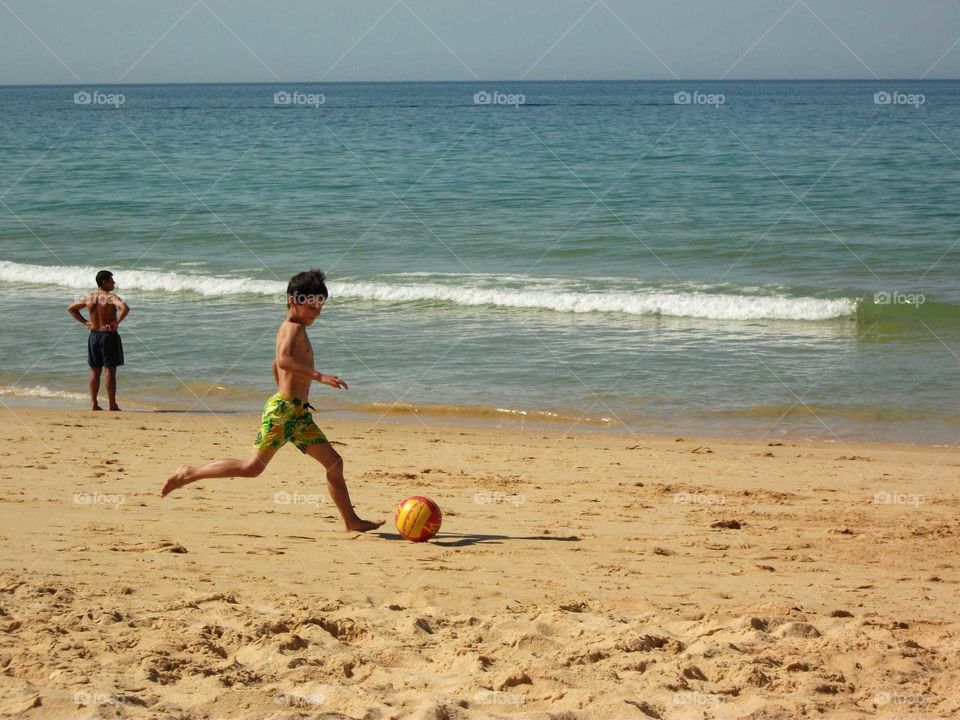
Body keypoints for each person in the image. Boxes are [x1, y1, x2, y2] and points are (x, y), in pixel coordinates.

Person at [161, 269, 383, 533]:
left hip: (296, 413)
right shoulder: (292, 329)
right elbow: (283, 361)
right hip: (285, 413)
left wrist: (288, 392)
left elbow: (275, 365)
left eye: (321, 307)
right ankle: (188, 473)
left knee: (334, 463)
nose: (317, 313)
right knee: (252, 467)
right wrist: (318, 377)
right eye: (312, 306)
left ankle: (351, 521)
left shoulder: (294, 327)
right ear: (294, 301)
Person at [67, 270, 129, 411]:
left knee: (95, 371)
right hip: (108, 336)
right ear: (104, 282)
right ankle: (112, 405)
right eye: (112, 280)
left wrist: (85, 322)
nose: (114, 283)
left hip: (94, 336)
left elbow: (71, 309)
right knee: (109, 372)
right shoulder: (111, 297)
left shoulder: (89, 297)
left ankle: (94, 404)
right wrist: (116, 322)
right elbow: (125, 308)